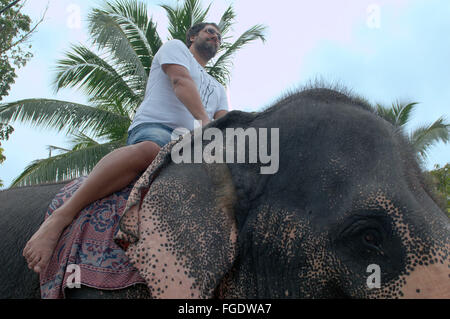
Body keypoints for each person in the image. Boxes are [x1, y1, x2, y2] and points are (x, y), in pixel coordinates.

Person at [23, 22, 229, 274]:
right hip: (158, 127)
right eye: (210, 31)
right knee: (151, 151)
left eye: (219, 36)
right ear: (192, 36)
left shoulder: (218, 88)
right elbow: (180, 81)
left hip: (192, 147)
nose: (215, 37)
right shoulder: (176, 49)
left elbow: (224, 122)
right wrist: (206, 124)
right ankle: (61, 217)